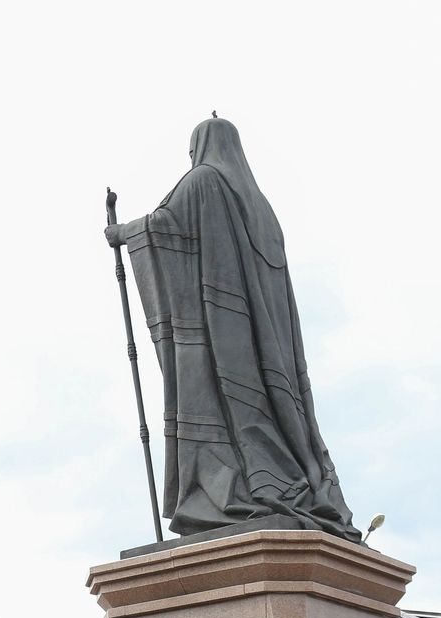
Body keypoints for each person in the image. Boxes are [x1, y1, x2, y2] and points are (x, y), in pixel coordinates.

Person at [104, 117, 359, 541]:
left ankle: (236, 489)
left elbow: (163, 225)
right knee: (262, 413)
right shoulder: (261, 207)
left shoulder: (203, 180)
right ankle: (280, 478)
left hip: (218, 334)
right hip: (268, 349)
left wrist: (121, 232)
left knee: (225, 413)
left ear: (200, 149)